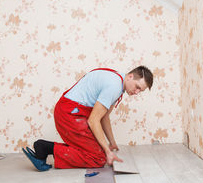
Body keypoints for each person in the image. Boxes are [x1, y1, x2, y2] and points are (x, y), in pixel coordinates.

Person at [22, 66, 153, 171]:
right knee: (98, 158)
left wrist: (111, 143)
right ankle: (45, 148)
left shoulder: (118, 82)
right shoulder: (114, 86)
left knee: (99, 150)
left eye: (140, 91)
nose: (136, 92)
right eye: (137, 87)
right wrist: (107, 151)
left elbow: (104, 117)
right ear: (130, 76)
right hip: (69, 114)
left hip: (73, 111)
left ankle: (44, 148)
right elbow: (93, 120)